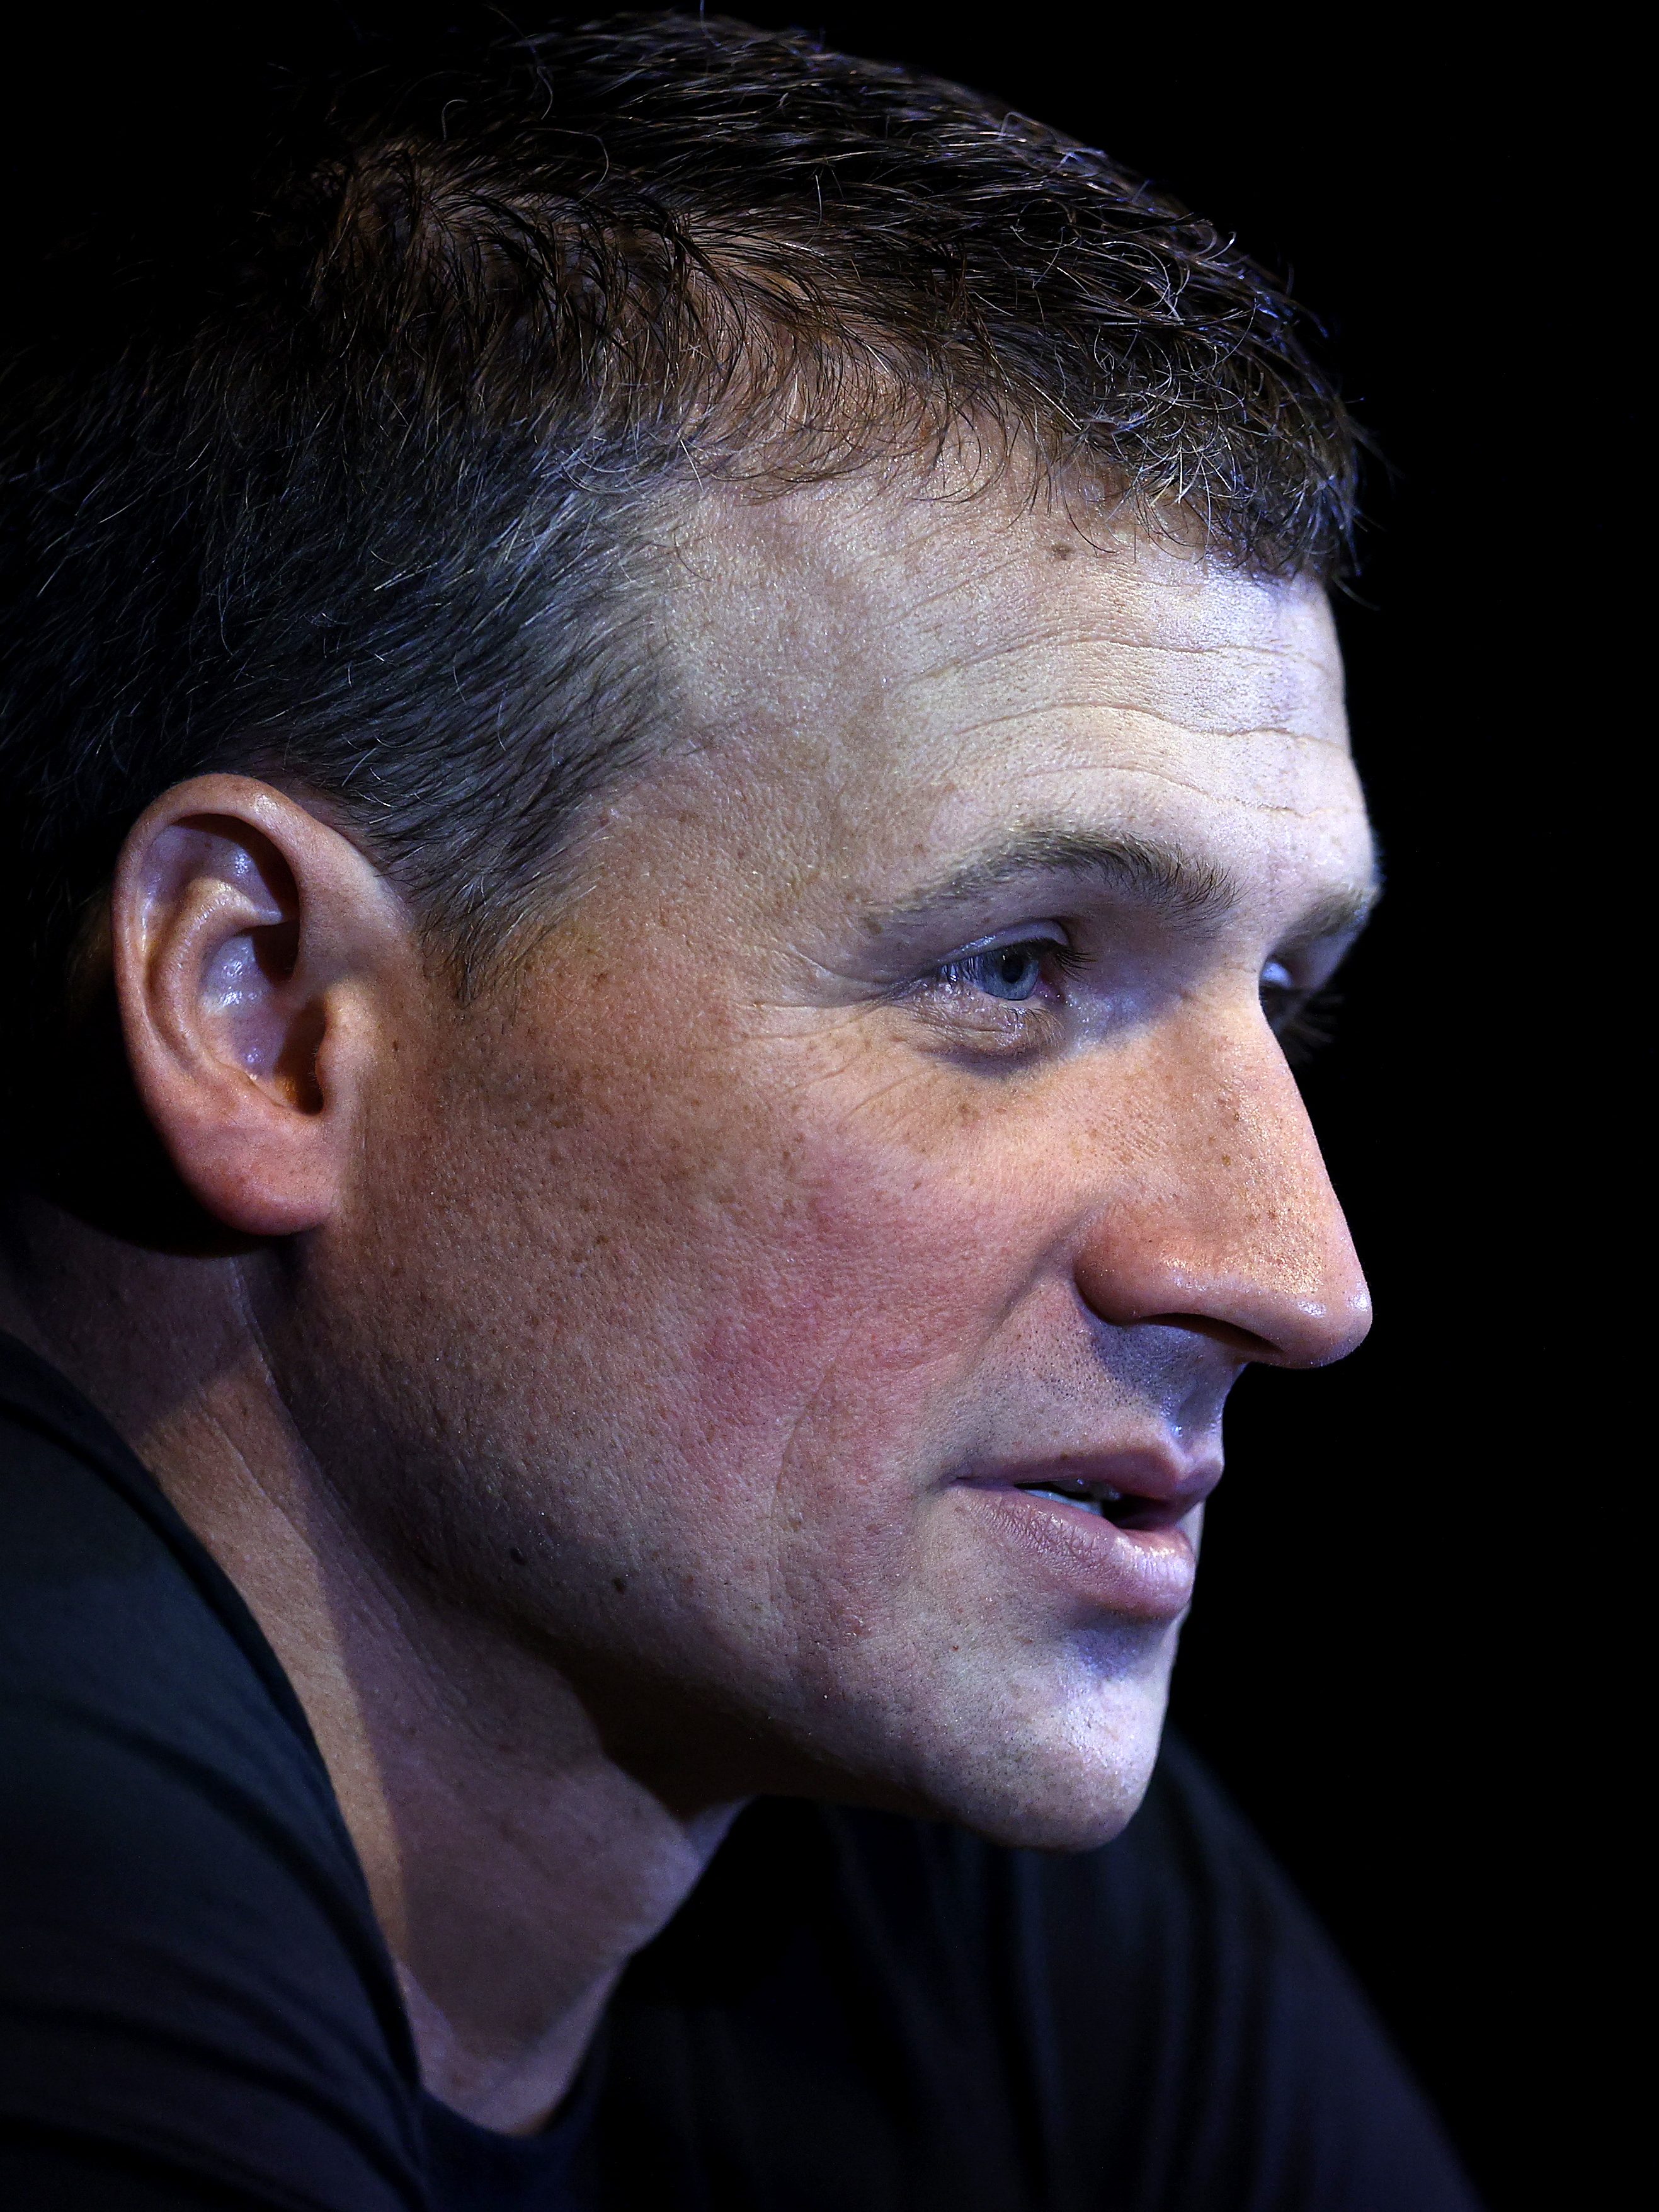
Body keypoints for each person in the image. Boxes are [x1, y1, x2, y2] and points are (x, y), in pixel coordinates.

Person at [0, 15, 1481, 2208]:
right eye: (1016, 969)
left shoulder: (903, 1823)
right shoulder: (42, 1849)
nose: (1295, 1277)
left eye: (1281, 997)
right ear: (269, 1015)